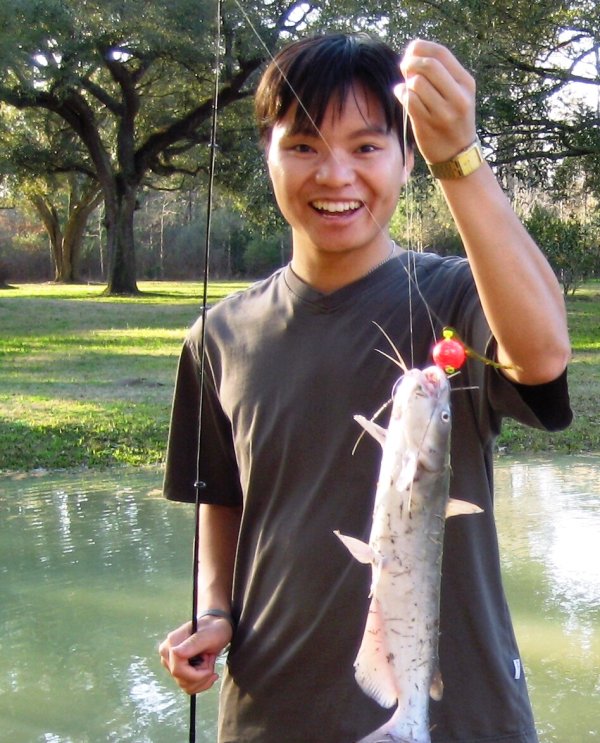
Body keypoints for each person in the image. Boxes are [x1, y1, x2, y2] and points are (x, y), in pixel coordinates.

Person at [159, 33, 572, 743]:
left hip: (457, 718)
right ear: (267, 154)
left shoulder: (461, 296)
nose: (336, 174)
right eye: (304, 146)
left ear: (408, 157)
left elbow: (540, 355)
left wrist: (461, 158)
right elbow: (220, 499)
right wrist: (215, 609)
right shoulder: (217, 336)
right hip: (274, 712)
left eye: (368, 147)